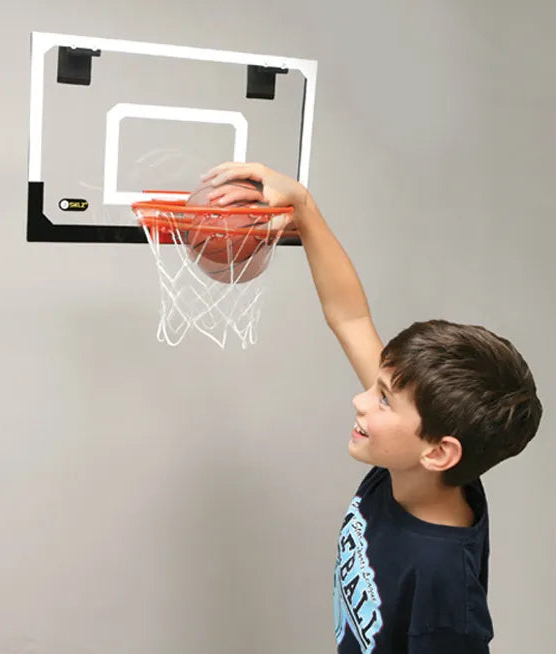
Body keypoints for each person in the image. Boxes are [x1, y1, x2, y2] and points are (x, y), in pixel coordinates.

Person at [201, 162, 543, 653]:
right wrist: (304, 205)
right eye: (377, 387)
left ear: (440, 452)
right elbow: (351, 316)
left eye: (382, 398)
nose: (361, 400)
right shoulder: (416, 459)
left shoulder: (444, 587)